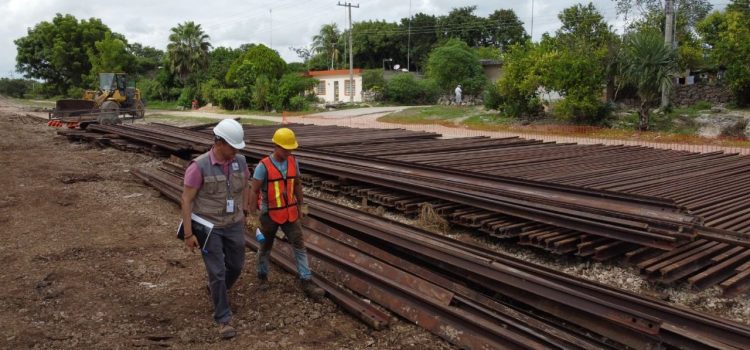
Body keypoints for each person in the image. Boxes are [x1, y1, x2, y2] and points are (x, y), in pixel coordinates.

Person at [181, 118, 249, 339]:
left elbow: (245, 187)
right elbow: (186, 200)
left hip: (234, 224)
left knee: (236, 265)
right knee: (217, 272)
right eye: (233, 146)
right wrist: (189, 234)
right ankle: (223, 318)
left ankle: (215, 289)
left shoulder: (241, 162)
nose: (236, 151)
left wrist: (245, 211)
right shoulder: (198, 166)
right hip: (209, 228)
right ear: (219, 142)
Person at [247, 127, 325, 299]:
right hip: (269, 214)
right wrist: (252, 215)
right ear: (275, 146)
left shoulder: (293, 162)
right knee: (265, 246)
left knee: (299, 244)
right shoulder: (263, 166)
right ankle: (262, 276)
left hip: (290, 212)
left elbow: (297, 184)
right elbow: (254, 191)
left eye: (291, 148)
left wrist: (302, 204)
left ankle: (306, 280)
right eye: (285, 148)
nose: (289, 151)